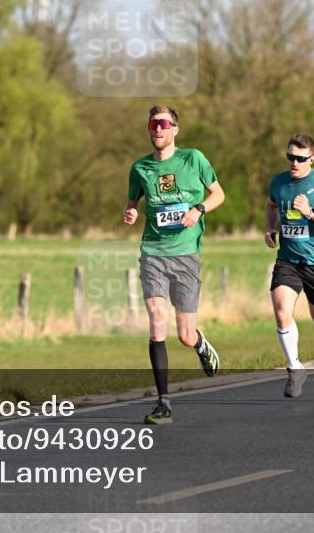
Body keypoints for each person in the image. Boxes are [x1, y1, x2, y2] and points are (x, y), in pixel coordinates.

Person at [125, 105, 225, 425]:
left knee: (184, 334)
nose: (158, 128)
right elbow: (132, 202)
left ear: (175, 129)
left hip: (185, 255)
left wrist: (198, 209)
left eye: (164, 123)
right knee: (157, 320)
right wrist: (131, 212)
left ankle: (200, 343)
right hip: (153, 252)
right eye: (153, 123)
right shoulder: (140, 168)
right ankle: (163, 403)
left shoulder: (193, 159)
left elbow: (218, 195)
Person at [265, 133, 314, 401]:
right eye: (291, 157)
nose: (294, 163)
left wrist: (311, 212)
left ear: (312, 159)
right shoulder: (279, 182)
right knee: (281, 311)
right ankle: (295, 368)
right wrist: (269, 227)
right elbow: (271, 204)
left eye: (300, 158)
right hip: (287, 260)